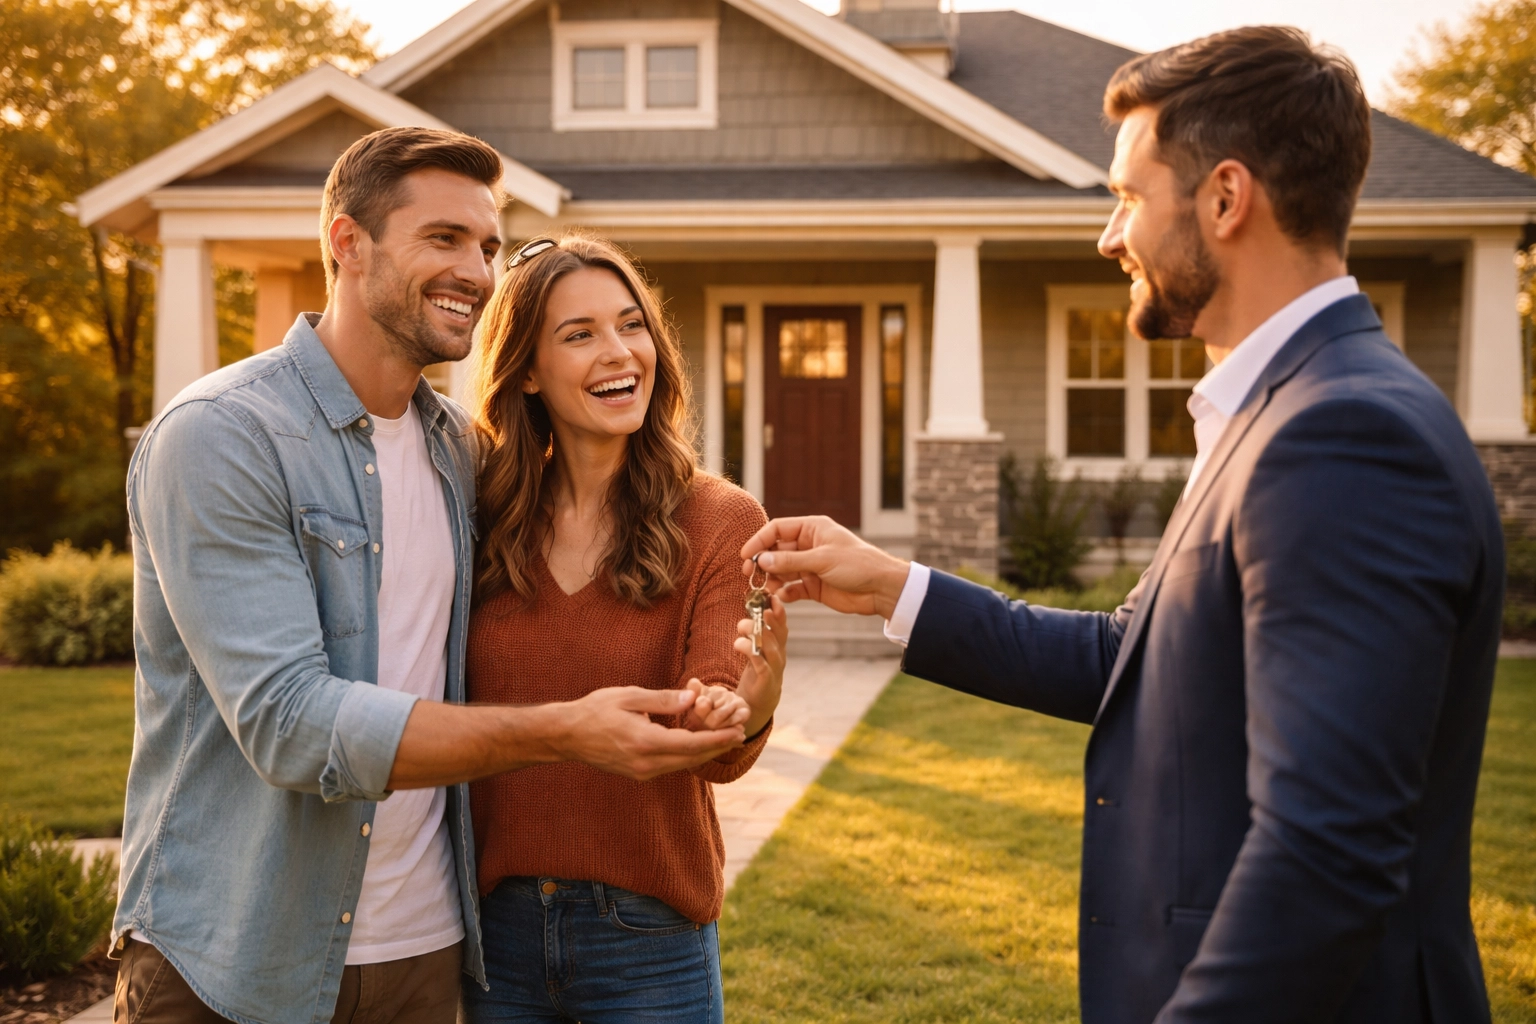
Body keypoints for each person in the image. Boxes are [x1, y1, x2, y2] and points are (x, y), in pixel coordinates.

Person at [741, 27, 1502, 1024]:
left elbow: (1328, 850)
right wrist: (892, 585)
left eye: (1129, 198)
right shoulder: (1286, 408)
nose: (1110, 237)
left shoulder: (1340, 436)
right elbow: (1130, 655)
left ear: (1227, 198)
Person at [114, 128, 773, 1024]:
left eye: (489, 246)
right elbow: (288, 722)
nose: (476, 269)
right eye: (444, 239)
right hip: (243, 952)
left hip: (429, 952)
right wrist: (563, 732)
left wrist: (747, 701)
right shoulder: (223, 436)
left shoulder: (463, 459)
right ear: (347, 244)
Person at [459, 234, 785, 1024]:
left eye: (631, 325)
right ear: (526, 370)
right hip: (492, 934)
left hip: (648, 936)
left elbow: (717, 731)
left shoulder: (720, 519)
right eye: (580, 334)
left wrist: (747, 704)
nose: (620, 352)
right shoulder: (475, 515)